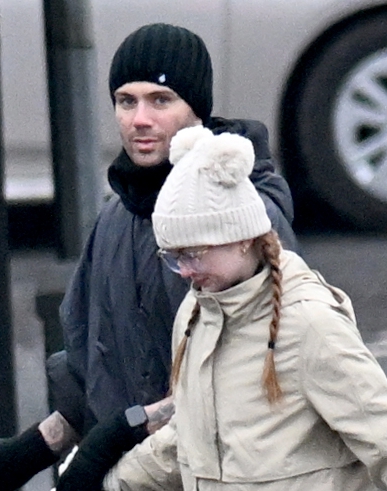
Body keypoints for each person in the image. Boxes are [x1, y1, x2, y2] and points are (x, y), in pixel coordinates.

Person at [0, 23, 298, 491]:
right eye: (126, 101)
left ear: (196, 110)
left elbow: (246, 377)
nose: (139, 119)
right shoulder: (116, 216)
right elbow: (90, 361)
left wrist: (115, 439)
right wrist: (37, 446)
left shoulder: (241, 214)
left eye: (160, 100)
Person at [102, 126, 387, 491]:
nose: (183, 271)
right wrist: (110, 482)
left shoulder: (309, 323)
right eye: (172, 256)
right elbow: (190, 437)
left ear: (243, 238)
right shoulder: (195, 314)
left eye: (193, 253)